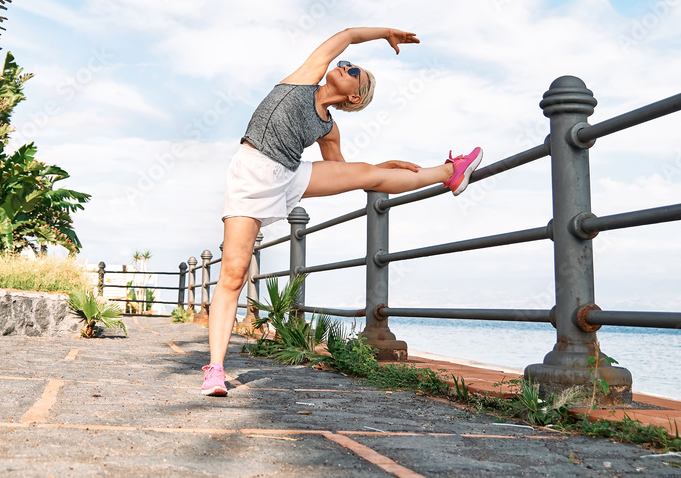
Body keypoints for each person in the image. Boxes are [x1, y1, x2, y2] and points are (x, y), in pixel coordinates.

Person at [201, 26, 482, 396]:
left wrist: (380, 168)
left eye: (353, 72)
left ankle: (451, 173)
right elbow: (346, 35)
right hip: (251, 173)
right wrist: (385, 34)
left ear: (352, 98)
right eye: (347, 65)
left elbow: (345, 172)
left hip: (288, 175)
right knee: (234, 275)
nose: (345, 66)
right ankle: (215, 370)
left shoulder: (328, 128)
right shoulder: (305, 79)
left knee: (368, 173)